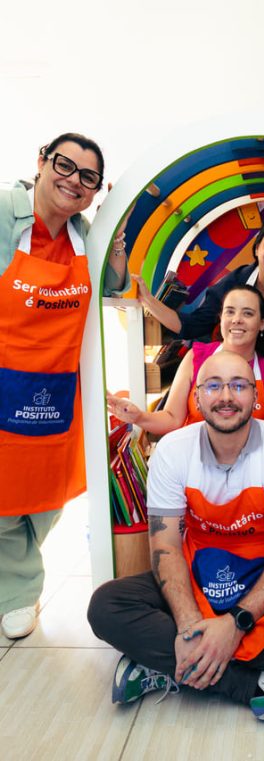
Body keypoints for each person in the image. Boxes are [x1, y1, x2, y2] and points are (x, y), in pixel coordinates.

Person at [88, 352, 264, 733]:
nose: (226, 396)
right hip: (195, 573)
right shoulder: (173, 450)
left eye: (239, 385)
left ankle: (164, 665)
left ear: (256, 397)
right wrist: (190, 626)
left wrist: (236, 624)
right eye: (213, 385)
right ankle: (257, 686)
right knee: (106, 606)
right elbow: (165, 547)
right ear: (197, 397)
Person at [0, 133, 130, 640]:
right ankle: (19, 592)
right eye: (64, 165)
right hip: (4, 382)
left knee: (47, 496)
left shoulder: (83, 235)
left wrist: (115, 241)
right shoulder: (5, 213)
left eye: (88, 177)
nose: (74, 181)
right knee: (4, 501)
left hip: (56, 390)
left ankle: (14, 571)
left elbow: (111, 286)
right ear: (41, 162)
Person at [134, 213, 264, 386]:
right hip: (219, 372)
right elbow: (192, 326)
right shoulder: (235, 282)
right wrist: (148, 300)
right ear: (257, 248)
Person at [107, 284, 264, 430]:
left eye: (248, 313)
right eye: (230, 311)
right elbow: (172, 419)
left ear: (262, 323)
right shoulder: (196, 357)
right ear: (220, 318)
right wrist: (138, 417)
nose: (237, 319)